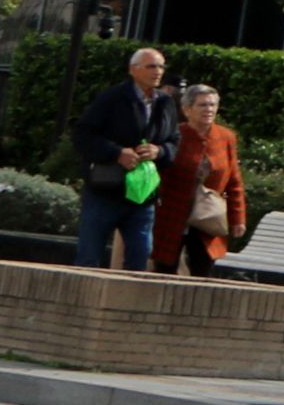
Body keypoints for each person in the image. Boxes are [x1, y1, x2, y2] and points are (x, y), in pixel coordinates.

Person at [71, 48, 175, 273]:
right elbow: (83, 135)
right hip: (106, 191)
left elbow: (174, 142)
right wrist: (117, 153)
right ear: (133, 70)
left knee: (139, 256)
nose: (158, 72)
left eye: (161, 66)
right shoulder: (113, 98)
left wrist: (159, 151)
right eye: (151, 66)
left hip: (142, 194)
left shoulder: (165, 102)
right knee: (89, 257)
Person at [153, 81, 248, 277]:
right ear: (187, 109)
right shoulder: (174, 134)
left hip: (207, 216)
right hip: (172, 215)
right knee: (164, 268)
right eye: (202, 105)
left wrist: (237, 218)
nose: (209, 109)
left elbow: (234, 181)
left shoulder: (225, 137)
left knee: (203, 266)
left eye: (213, 105)